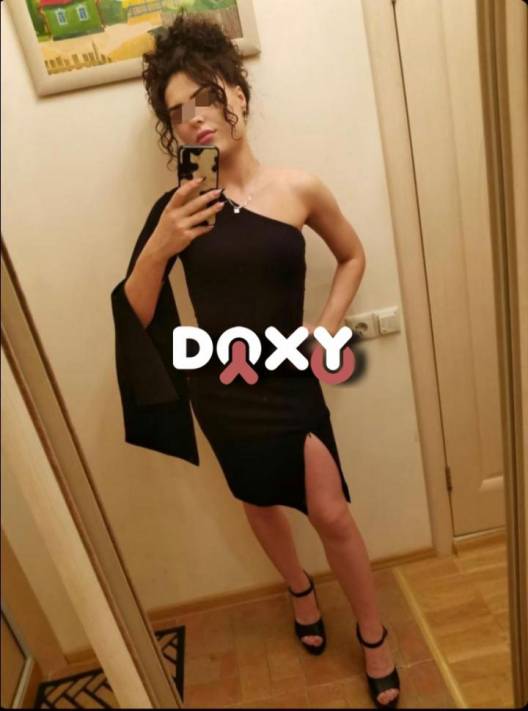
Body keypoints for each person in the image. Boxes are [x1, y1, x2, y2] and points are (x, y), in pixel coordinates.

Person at [120, 10, 400, 708]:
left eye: (204, 97)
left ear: (237, 94)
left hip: (290, 381)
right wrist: (162, 243)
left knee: (331, 513)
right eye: (176, 112)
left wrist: (325, 332)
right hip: (220, 389)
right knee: (259, 501)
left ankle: (373, 632)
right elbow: (136, 311)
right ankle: (299, 588)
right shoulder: (181, 206)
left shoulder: (299, 188)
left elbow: (352, 255)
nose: (193, 119)